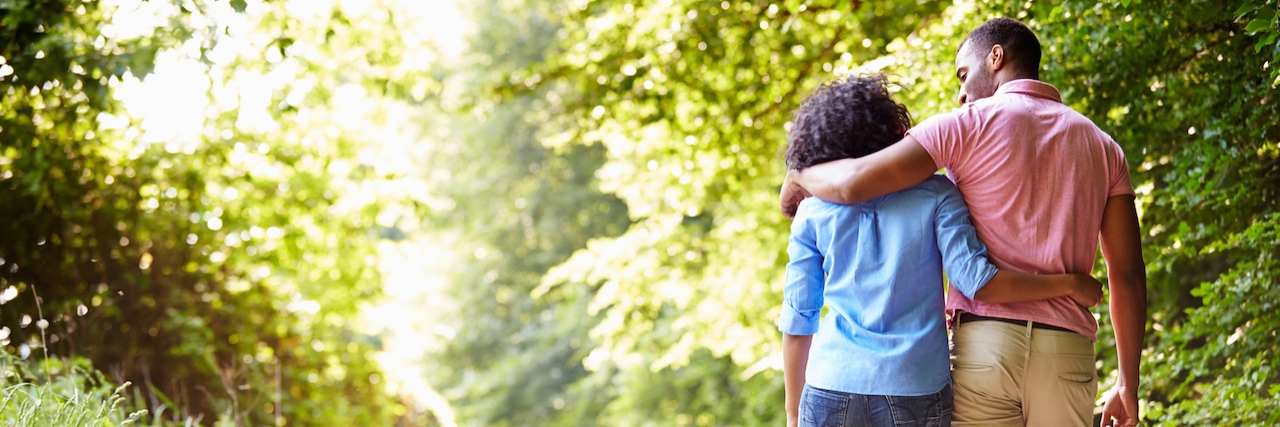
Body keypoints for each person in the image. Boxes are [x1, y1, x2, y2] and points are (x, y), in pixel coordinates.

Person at [778, 18, 1146, 427]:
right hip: (1065, 350)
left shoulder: (961, 126)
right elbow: (1128, 274)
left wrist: (799, 176)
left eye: (963, 74)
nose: (961, 93)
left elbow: (853, 183)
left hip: (981, 349)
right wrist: (1127, 384)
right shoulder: (1104, 147)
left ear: (996, 57)